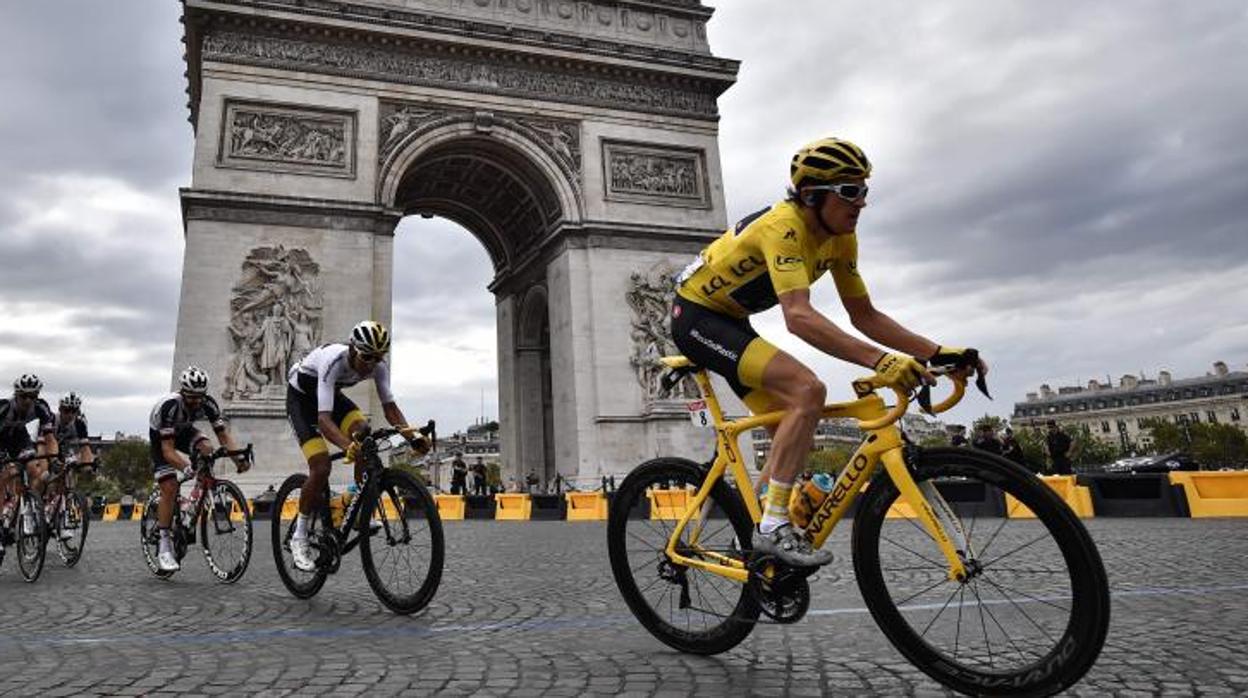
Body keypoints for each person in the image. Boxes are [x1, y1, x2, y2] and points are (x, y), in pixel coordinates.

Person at [670, 137, 986, 568]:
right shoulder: (783, 227)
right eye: (850, 192)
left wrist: (938, 352)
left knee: (794, 420)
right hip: (696, 317)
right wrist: (881, 360)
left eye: (865, 191)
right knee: (807, 389)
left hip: (734, 321)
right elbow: (798, 317)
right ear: (811, 195)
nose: (862, 203)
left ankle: (759, 531)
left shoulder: (840, 238)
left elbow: (865, 316)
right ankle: (773, 528)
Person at [284, 320, 430, 572]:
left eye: (378, 358)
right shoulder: (332, 360)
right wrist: (346, 445)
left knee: (364, 434)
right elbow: (324, 419)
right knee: (320, 467)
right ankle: (299, 536)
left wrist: (412, 436)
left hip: (329, 397)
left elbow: (390, 408)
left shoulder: (377, 366)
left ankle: (359, 512)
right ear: (352, 349)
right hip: (301, 399)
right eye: (367, 357)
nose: (371, 365)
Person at [148, 367, 250, 572]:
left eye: (199, 397)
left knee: (207, 448)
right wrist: (185, 467)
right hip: (161, 438)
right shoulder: (170, 406)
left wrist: (238, 458)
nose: (196, 402)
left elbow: (223, 436)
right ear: (182, 391)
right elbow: (168, 450)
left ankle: (195, 498)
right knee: (169, 486)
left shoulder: (209, 403)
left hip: (184, 431)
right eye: (191, 397)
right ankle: (164, 544)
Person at [0, 375, 57, 550]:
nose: (27, 400)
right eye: (23, 396)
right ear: (16, 395)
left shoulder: (40, 408)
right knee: (6, 474)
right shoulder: (4, 407)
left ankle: (30, 510)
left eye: (32, 396)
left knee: (35, 469)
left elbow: (50, 439)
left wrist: (53, 459)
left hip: (19, 438)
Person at [48, 392, 97, 541]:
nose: (70, 415)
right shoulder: (51, 420)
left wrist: (88, 465)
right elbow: (45, 443)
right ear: (60, 409)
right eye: (66, 411)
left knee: (69, 475)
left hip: (66, 449)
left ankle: (64, 518)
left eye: (73, 411)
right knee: (44, 476)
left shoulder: (79, 423)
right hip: (48, 447)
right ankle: (41, 505)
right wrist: (51, 462)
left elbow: (85, 447)